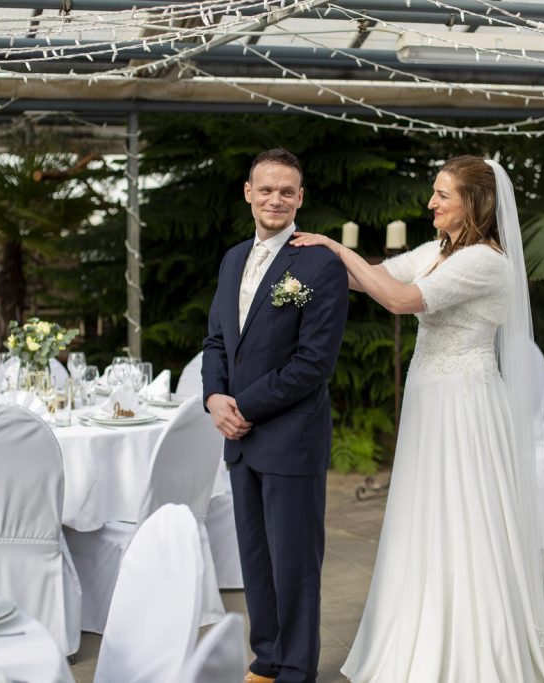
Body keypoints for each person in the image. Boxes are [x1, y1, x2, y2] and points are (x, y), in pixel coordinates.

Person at [291, 156, 544, 682]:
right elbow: (378, 275)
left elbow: (396, 299)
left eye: (442, 194)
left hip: (463, 404)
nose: (431, 202)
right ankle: (422, 623)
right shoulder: (441, 251)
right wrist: (313, 266)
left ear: (475, 204)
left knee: (464, 513)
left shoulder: (485, 262)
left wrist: (331, 246)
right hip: (429, 399)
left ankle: (469, 641)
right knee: (427, 511)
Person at [202, 148, 349, 683]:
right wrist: (214, 398)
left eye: (287, 191)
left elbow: (314, 362)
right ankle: (265, 660)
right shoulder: (233, 258)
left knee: (294, 566)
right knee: (256, 561)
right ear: (248, 193)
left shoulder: (320, 265)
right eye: (266, 189)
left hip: (291, 436)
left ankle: (295, 671)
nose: (276, 199)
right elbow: (217, 341)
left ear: (301, 198)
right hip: (239, 437)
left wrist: (244, 406)